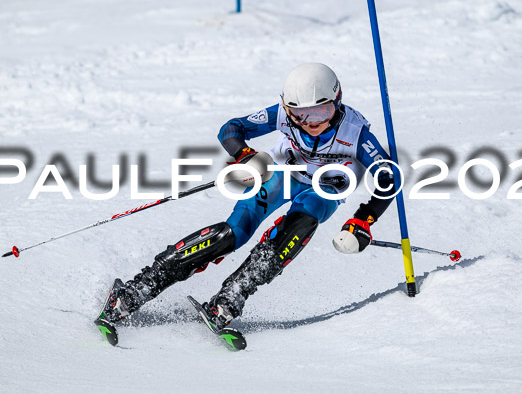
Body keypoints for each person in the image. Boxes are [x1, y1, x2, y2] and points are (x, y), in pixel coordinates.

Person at [98, 62, 396, 331]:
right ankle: (139, 288)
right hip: (284, 174)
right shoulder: (280, 115)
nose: (310, 123)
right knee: (233, 233)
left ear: (337, 101)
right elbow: (231, 129)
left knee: (307, 216)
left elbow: (387, 177)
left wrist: (362, 221)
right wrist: (245, 155)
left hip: (325, 187)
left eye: (320, 112)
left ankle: (232, 295)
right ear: (287, 108)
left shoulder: (356, 134)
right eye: (300, 114)